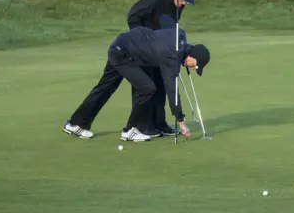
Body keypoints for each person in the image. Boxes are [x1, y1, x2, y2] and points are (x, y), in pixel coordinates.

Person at [62, 26, 210, 142]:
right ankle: (131, 130)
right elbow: (172, 90)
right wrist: (181, 120)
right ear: (192, 55)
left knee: (105, 88)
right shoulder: (172, 57)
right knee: (147, 87)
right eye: (195, 65)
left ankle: (76, 123)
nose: (192, 68)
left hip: (122, 44)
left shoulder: (181, 35)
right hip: (123, 54)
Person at [126, 0, 197, 138]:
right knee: (146, 84)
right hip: (143, 44)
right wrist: (142, 39)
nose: (184, 4)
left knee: (161, 82)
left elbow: (171, 27)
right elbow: (132, 16)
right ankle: (142, 126)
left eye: (186, 2)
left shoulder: (178, 4)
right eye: (183, 0)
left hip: (161, 47)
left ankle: (160, 123)